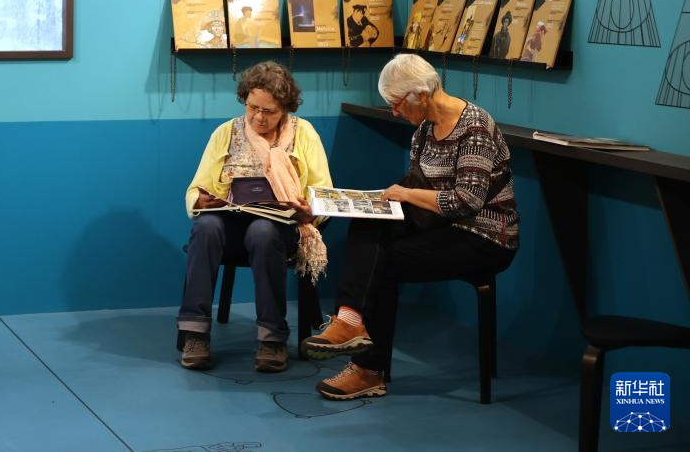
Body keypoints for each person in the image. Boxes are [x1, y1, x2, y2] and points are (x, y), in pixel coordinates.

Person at [302, 53, 519, 400]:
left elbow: (467, 201)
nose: (394, 112)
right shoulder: (423, 132)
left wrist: (405, 194)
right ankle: (349, 321)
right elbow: (419, 186)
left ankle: (367, 369)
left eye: (397, 103)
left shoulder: (475, 126)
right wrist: (379, 202)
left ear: (420, 93)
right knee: (366, 227)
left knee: (383, 263)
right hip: (440, 224)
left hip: (485, 235)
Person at [178, 61, 333, 373]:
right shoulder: (225, 133)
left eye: (269, 111)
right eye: (253, 108)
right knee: (206, 226)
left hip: (279, 231)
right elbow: (196, 188)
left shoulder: (304, 134)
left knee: (262, 231)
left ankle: (272, 337)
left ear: (285, 108)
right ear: (245, 100)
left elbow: (323, 191)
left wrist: (310, 210)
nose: (259, 117)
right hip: (231, 225)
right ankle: (195, 333)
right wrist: (201, 200)